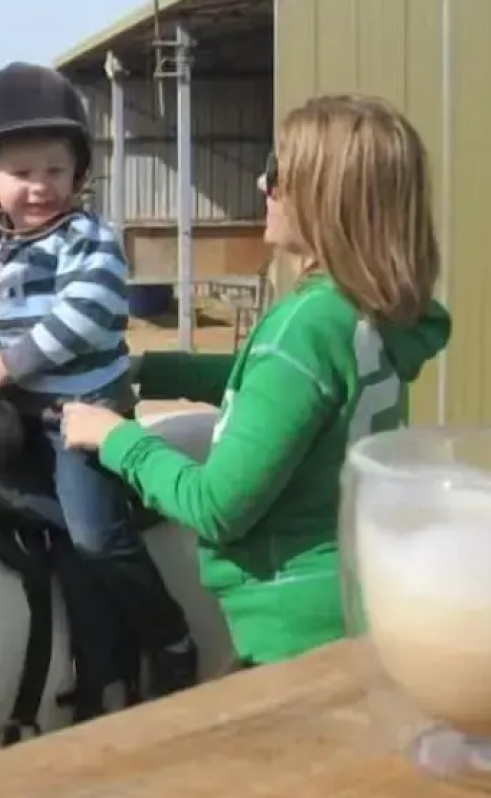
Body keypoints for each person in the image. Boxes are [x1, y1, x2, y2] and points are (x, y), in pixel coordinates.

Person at [61, 93, 452, 669]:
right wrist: (157, 370)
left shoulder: (303, 326)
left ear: (325, 201)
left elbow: (215, 505)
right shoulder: (366, 312)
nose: (264, 186)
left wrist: (114, 437)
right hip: (359, 599)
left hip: (292, 637)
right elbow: (290, 397)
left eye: (278, 173)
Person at [0, 60, 199, 702]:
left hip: (82, 413)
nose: (39, 186)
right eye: (22, 173)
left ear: (78, 171)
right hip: (11, 405)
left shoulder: (91, 239)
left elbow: (84, 316)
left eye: (55, 170)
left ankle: (169, 636)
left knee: (94, 535)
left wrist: (6, 363)